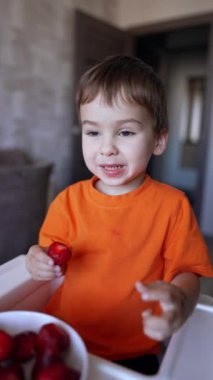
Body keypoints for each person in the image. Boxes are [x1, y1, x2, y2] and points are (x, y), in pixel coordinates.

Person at [26, 55, 213, 375]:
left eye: (125, 132)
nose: (107, 147)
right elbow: (47, 254)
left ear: (159, 139)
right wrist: (35, 258)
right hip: (64, 335)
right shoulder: (68, 201)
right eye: (93, 132)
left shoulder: (173, 206)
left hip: (135, 350)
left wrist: (179, 302)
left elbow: (188, 273)